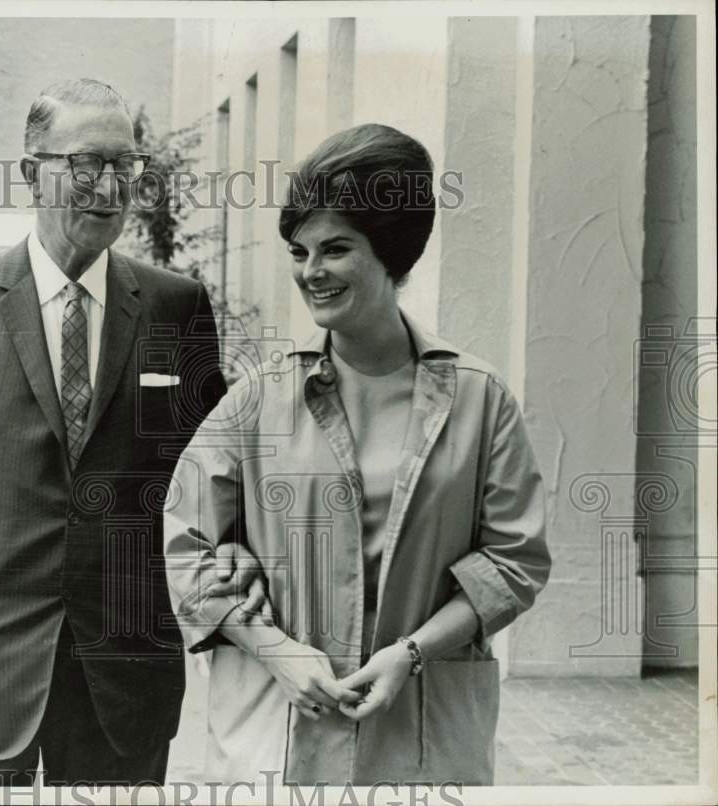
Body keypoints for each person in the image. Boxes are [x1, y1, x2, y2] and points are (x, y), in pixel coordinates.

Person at [0, 78, 229, 786]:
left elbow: (209, 480)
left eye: (126, 165)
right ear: (33, 173)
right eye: (87, 163)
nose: (110, 185)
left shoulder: (175, 308)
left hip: (124, 668)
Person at [164, 123, 553, 786]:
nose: (311, 271)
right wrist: (279, 652)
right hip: (276, 733)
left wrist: (410, 654)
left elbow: (514, 562)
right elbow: (185, 542)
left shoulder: (479, 400)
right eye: (300, 250)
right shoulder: (257, 400)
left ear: (391, 254)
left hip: (423, 736)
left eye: (336, 248)